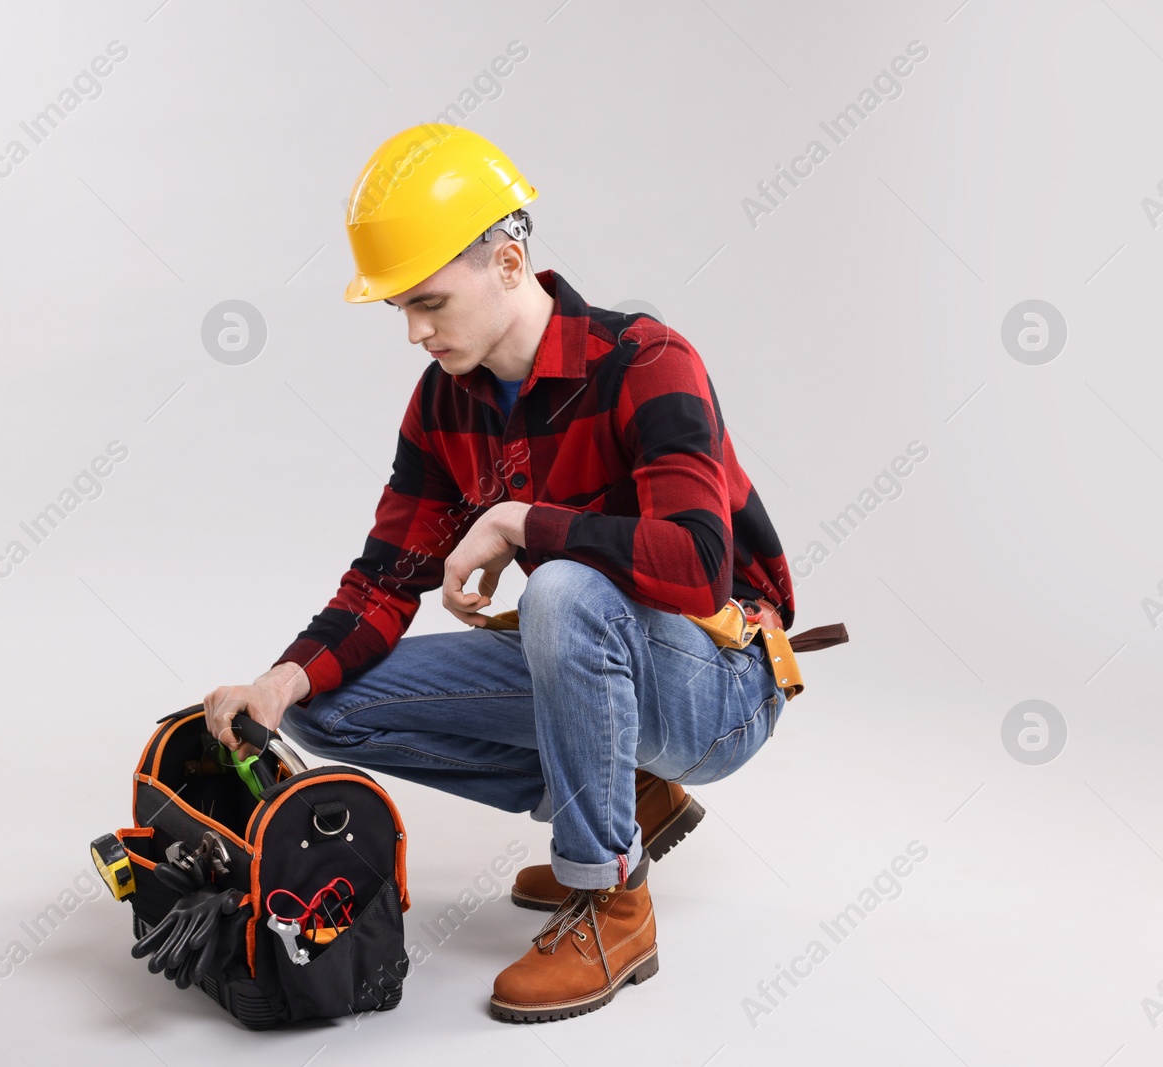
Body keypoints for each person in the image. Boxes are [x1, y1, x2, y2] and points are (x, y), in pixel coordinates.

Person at [199, 123, 797, 1023]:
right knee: (329, 702)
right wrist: (282, 676)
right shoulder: (447, 400)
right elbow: (385, 575)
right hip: (604, 665)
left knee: (561, 589)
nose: (413, 332)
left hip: (724, 683)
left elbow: (700, 568)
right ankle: (625, 796)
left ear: (510, 264)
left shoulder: (645, 362)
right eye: (400, 308)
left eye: (429, 302)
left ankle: (612, 898)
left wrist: (523, 519)